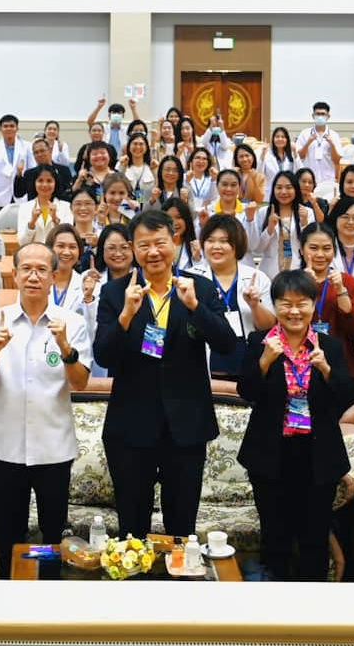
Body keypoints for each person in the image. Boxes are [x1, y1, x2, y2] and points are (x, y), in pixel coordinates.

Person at [93, 209, 237, 538]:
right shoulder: (116, 292)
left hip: (186, 428)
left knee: (181, 530)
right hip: (130, 428)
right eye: (144, 245)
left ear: (174, 240)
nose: (153, 252)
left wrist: (195, 308)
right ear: (133, 248)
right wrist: (127, 315)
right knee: (132, 530)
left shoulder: (198, 286)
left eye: (160, 242)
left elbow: (228, 344)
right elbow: (103, 353)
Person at [0, 243, 89, 578]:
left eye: (41, 270)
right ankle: (9, 609)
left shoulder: (72, 322)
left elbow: (80, 383)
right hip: (8, 448)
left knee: (51, 537)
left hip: (54, 449)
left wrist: (66, 347)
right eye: (26, 269)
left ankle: (48, 605)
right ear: (16, 274)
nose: (33, 276)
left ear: (54, 276)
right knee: (9, 535)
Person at [238, 267, 354, 581]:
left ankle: (312, 619)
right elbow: (247, 392)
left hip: (318, 455)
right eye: (285, 303)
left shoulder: (328, 346)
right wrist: (265, 360)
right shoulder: (258, 342)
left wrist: (327, 369)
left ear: (313, 305)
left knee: (314, 540)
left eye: (302, 303)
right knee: (275, 539)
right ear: (275, 305)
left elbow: (347, 396)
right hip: (270, 454)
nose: (294, 311)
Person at [189, 213, 273, 379]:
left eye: (224, 241)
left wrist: (255, 306)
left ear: (237, 244)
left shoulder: (257, 277)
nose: (216, 247)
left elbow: (267, 328)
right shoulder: (190, 280)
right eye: (210, 241)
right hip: (203, 367)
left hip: (247, 367)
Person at [253, 170, 318, 277]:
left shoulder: (307, 213)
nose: (283, 192)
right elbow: (258, 248)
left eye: (288, 187)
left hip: (296, 269)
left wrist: (304, 223)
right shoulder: (263, 212)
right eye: (279, 187)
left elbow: (310, 245)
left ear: (296, 189)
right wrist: (270, 228)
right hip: (269, 272)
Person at [12, 166, 73, 251]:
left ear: (55, 183)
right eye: (40, 180)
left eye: (49, 181)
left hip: (57, 257)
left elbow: (67, 239)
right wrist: (32, 223)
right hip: (34, 255)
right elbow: (22, 243)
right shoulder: (25, 207)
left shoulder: (66, 207)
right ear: (34, 183)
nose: (44, 185)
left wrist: (55, 219)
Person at [294, 103, 343, 190]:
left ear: (328, 116)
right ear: (313, 116)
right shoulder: (305, 134)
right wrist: (308, 142)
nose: (320, 116)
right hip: (308, 181)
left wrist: (332, 144)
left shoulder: (334, 135)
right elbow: (300, 156)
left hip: (328, 180)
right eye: (318, 114)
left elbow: (337, 160)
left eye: (323, 114)